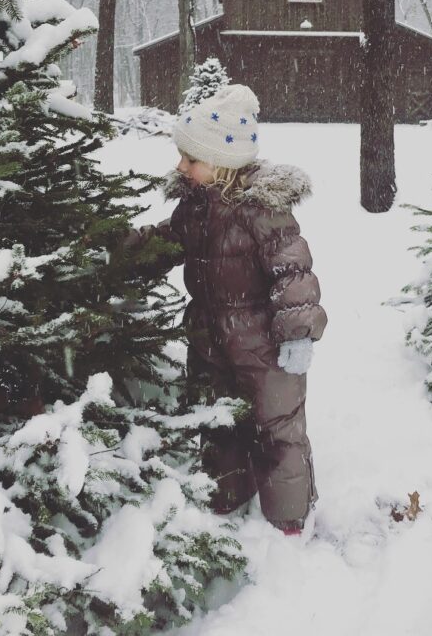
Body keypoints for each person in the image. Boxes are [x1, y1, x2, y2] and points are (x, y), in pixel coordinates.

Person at [121, 84, 327, 535]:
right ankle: (225, 498)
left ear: (220, 163)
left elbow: (293, 272)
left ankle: (290, 520)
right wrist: (120, 251)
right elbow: (166, 241)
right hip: (210, 337)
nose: (180, 166)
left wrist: (296, 333)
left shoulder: (262, 211)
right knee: (218, 422)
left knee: (279, 427)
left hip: (263, 343)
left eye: (189, 158)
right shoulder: (194, 207)